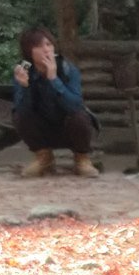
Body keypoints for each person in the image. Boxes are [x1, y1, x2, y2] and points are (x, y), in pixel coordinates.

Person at [12, 27, 100, 178]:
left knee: (80, 116)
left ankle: (82, 159)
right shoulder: (24, 69)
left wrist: (53, 79)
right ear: (28, 51)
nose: (46, 49)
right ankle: (44, 158)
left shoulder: (66, 68)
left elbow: (74, 105)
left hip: (68, 127)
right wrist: (25, 86)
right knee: (18, 115)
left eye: (49, 44)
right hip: (43, 129)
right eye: (39, 46)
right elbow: (22, 110)